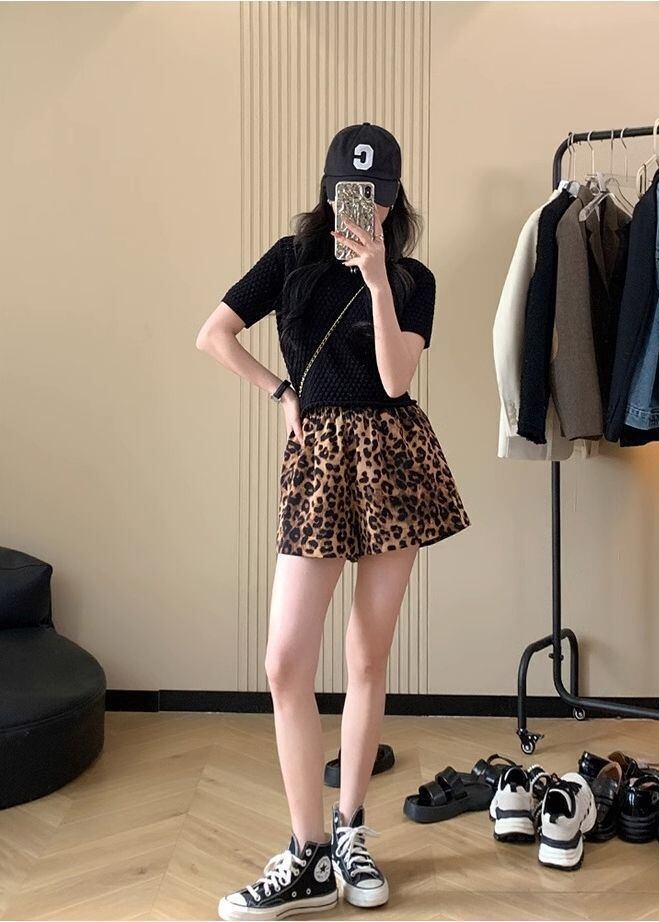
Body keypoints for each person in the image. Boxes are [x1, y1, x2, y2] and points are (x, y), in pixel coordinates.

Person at [197, 122, 470, 921]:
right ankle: (308, 853)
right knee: (286, 661)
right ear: (328, 194)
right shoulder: (289, 263)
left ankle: (349, 830)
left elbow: (393, 379)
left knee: (365, 655)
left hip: (393, 459)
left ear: (393, 200)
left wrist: (379, 282)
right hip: (319, 460)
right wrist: (279, 392)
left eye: (379, 197)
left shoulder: (413, 280)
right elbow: (213, 335)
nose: (366, 210)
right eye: (354, 195)